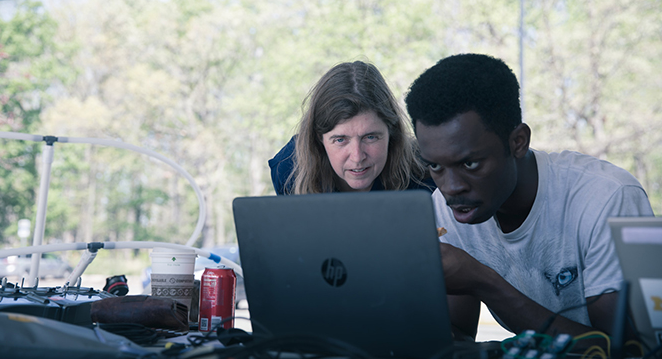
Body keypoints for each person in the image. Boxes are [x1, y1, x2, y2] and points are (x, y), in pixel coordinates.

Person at [404, 53, 654, 342]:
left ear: (518, 142)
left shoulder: (608, 198)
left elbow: (627, 350)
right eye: (435, 166)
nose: (451, 187)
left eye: (470, 164)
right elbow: (457, 337)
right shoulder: (446, 210)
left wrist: (485, 283)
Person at [269, 60, 433, 194]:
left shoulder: (427, 174)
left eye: (370, 137)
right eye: (340, 140)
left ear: (391, 132)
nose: (357, 157)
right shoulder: (290, 170)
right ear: (319, 138)